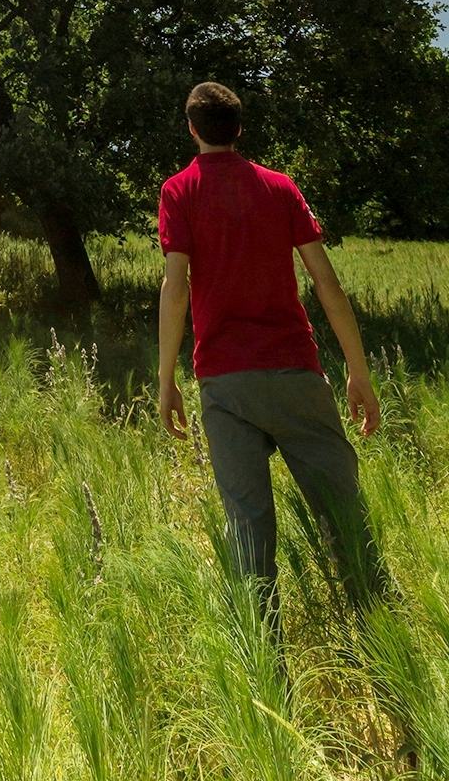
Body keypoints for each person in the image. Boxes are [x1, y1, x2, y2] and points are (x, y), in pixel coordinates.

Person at [158, 81, 386, 615]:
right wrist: (358, 371)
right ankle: (380, 632)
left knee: (247, 525)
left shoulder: (178, 191)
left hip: (225, 381)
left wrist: (166, 378)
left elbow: (175, 287)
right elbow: (327, 284)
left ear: (192, 128)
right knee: (342, 510)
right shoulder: (280, 188)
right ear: (239, 128)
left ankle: (264, 661)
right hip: (295, 373)